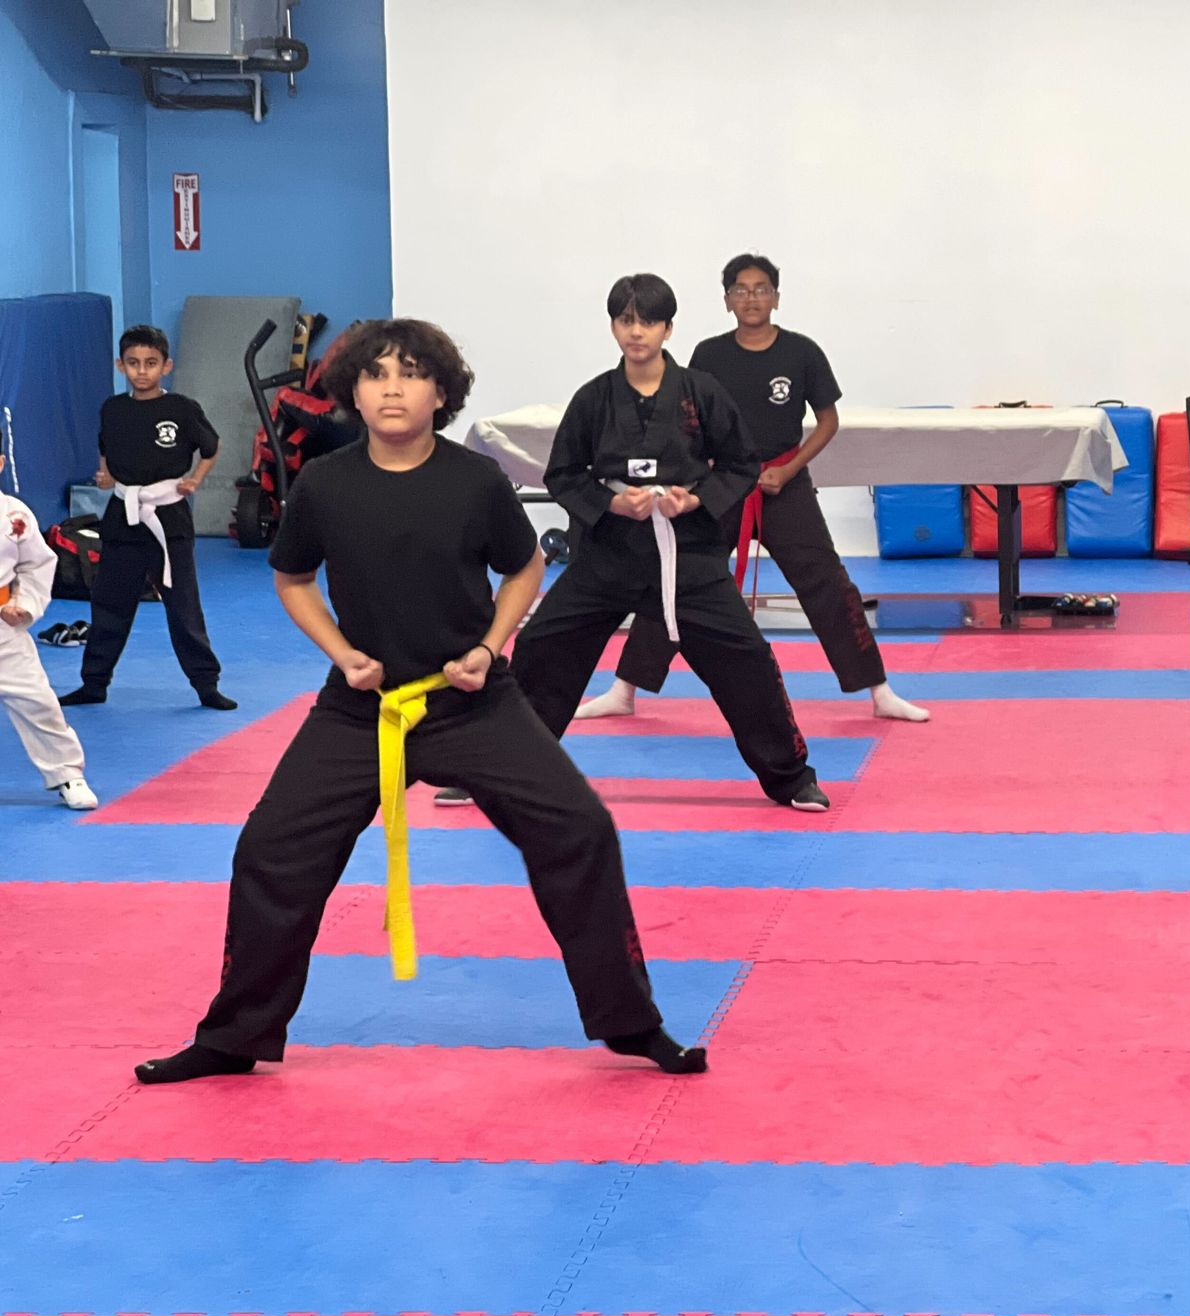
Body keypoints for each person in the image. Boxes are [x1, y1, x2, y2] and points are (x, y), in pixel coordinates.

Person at [135, 318, 707, 1085]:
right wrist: (342, 654)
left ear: (441, 392)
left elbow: (524, 568)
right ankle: (235, 1035)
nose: (392, 388)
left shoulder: (474, 482)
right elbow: (293, 579)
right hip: (359, 711)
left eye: (410, 374)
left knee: (581, 830)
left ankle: (632, 1023)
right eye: (375, 375)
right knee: (270, 851)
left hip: (471, 702)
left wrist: (489, 646)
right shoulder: (326, 485)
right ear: (353, 395)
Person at [465, 273, 827, 814]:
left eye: (648, 321)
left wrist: (695, 499)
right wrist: (610, 503)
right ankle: (498, 773)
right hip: (609, 554)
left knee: (746, 657)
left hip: (688, 558)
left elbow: (741, 464)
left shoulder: (701, 393)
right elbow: (563, 474)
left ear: (667, 327)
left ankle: (791, 776)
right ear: (613, 326)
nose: (637, 332)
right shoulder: (592, 399)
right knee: (543, 645)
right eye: (626, 320)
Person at [576, 254, 928, 724]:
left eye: (761, 289)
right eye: (740, 290)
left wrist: (788, 469)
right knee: (674, 582)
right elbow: (687, 423)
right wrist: (703, 480)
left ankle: (878, 689)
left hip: (784, 482)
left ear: (776, 297)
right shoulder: (709, 354)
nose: (751, 298)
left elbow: (828, 421)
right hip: (718, 488)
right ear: (726, 300)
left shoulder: (801, 352)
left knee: (827, 583)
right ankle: (625, 689)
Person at [60, 325, 236, 711]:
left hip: (168, 515)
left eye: (151, 364)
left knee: (183, 605)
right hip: (122, 514)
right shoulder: (113, 409)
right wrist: (106, 475)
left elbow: (211, 446)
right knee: (108, 602)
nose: (142, 371)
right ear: (120, 365)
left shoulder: (182, 409)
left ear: (166, 366)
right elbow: (105, 447)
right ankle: (94, 683)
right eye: (134, 364)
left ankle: (207, 685)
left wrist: (195, 480)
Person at [0, 457, 98, 810]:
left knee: (38, 701)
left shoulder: (14, 516)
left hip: (3, 631)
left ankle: (67, 774)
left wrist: (24, 604)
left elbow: (37, 564)